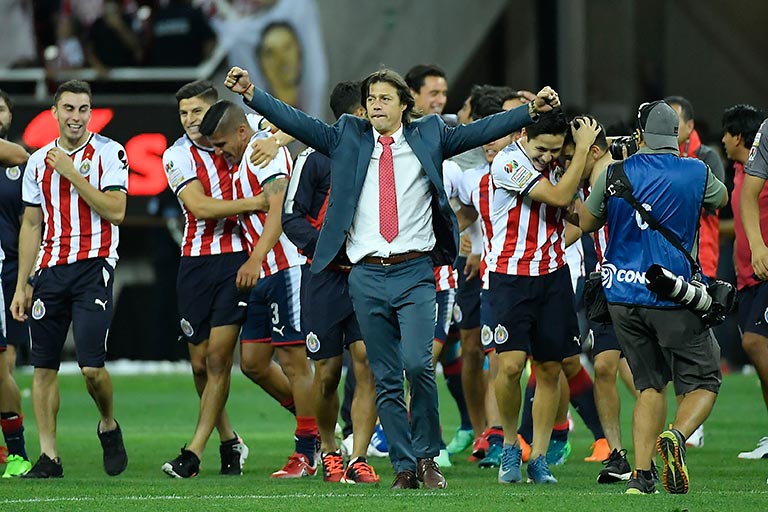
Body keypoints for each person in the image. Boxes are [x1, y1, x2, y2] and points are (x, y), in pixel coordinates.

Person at [224, 64, 560, 489]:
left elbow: (480, 131)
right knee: (385, 376)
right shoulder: (347, 134)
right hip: (365, 274)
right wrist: (252, 92)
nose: (375, 105)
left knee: (419, 366)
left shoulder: (431, 133)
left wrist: (530, 114)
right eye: (371, 99)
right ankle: (404, 467)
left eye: (385, 98)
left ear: (405, 104)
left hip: (416, 271)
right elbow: (298, 122)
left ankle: (427, 458)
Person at [580, 100, 728, 495]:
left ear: (640, 135)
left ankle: (641, 476)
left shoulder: (614, 172)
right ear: (677, 135)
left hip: (622, 297)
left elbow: (588, 220)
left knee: (649, 385)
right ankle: (676, 437)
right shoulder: (696, 170)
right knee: (704, 379)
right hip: (671, 295)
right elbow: (720, 200)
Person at [10, 80, 129, 479]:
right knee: (43, 367)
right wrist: (22, 284)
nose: (76, 116)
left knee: (92, 368)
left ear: (90, 113)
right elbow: (31, 225)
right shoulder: (37, 162)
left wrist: (73, 174)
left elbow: (116, 211)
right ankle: (49, 457)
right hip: (49, 271)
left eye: (83, 109)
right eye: (69, 109)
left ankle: (108, 424)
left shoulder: (110, 153)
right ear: (54, 113)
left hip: (94, 266)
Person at [199, 100, 316, 480]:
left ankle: (307, 449)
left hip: (285, 267)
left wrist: (254, 258)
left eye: (220, 144)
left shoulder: (263, 152)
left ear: (241, 132)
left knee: (295, 362)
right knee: (252, 363)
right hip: (264, 272)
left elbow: (279, 208)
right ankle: (312, 423)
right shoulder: (243, 157)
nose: (219, 152)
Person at [159, 80, 266, 478]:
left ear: (215, 111)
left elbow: (291, 125)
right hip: (194, 264)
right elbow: (200, 208)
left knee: (220, 359)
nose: (190, 120)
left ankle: (193, 453)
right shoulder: (176, 156)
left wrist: (274, 140)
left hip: (236, 260)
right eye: (183, 113)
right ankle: (229, 441)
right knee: (201, 365)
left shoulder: (242, 126)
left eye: (197, 112)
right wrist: (255, 202)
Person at [487, 110, 599, 485]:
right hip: (509, 277)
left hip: (553, 277)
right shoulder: (508, 162)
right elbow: (558, 195)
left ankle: (538, 456)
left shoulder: (563, 161)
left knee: (550, 368)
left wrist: (586, 151)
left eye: (555, 151)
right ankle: (508, 445)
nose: (549, 158)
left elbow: (582, 218)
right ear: (523, 136)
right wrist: (582, 151)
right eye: (541, 151)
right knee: (511, 366)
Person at [281, 80, 379, 484]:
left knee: (367, 364)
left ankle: (358, 457)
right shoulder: (314, 158)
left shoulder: (382, 157)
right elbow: (292, 216)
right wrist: (328, 249)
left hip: (368, 276)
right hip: (323, 278)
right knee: (327, 374)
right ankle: (329, 449)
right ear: (356, 115)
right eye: (370, 109)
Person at [560, 118, 633, 483]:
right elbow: (582, 224)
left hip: (637, 284)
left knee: (647, 373)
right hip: (607, 285)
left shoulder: (623, 176)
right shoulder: (595, 180)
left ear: (593, 149)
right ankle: (617, 455)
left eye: (574, 155)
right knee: (604, 366)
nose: (569, 162)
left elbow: (584, 221)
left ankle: (669, 441)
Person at [724, 104, 768, 460]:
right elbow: (744, 211)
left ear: (738, 135)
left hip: (764, 268)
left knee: (755, 343)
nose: (722, 139)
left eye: (727, 132)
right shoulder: (744, 170)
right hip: (748, 275)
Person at [0, 89, 31, 478]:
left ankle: (17, 452)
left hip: (5, 267)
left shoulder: (19, 159)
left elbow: (19, 155)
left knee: (3, 364)